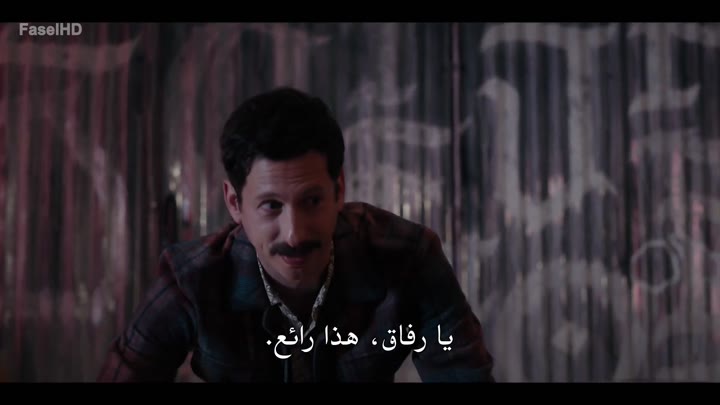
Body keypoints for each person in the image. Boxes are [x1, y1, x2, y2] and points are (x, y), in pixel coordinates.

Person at [96, 87, 495, 382]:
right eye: (271, 205)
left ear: (339, 190)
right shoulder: (192, 281)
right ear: (235, 203)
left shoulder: (408, 257)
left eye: (312, 201)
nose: (295, 233)